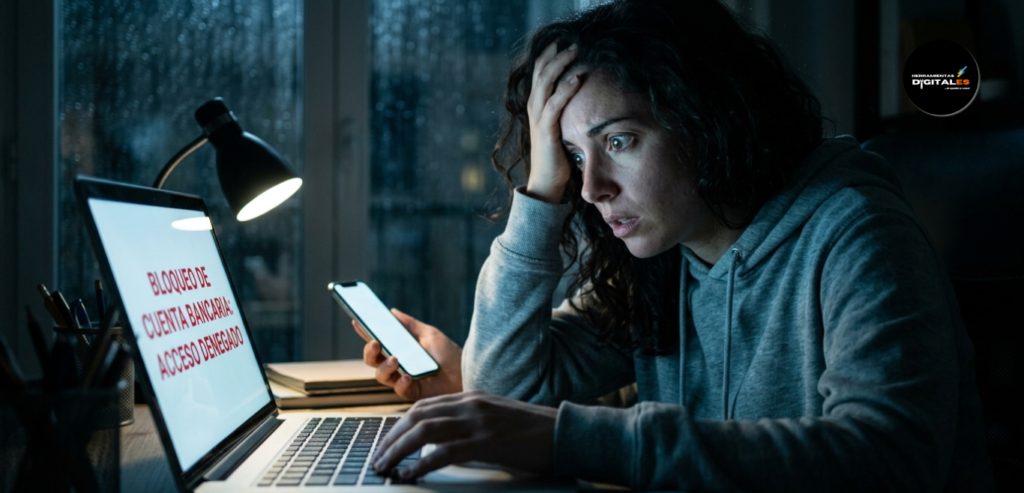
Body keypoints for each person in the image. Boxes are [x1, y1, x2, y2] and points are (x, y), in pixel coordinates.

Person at [352, 0, 994, 490]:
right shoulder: (662, 257)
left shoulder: (856, 233)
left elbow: (889, 460)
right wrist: (542, 192)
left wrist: (573, 439)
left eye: (619, 141)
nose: (593, 188)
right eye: (574, 155)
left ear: (707, 120)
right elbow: (507, 390)